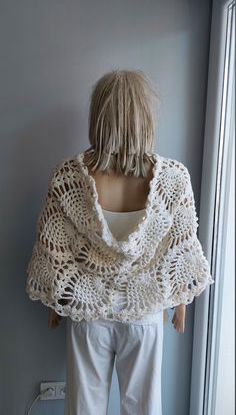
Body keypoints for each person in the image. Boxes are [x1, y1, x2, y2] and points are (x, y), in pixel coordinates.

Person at [26, 69, 214, 415]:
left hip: (88, 313)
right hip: (145, 313)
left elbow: (58, 253)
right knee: (144, 408)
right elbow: (178, 248)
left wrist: (56, 304)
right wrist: (180, 304)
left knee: (83, 406)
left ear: (98, 117)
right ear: (145, 117)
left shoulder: (68, 177)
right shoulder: (174, 177)